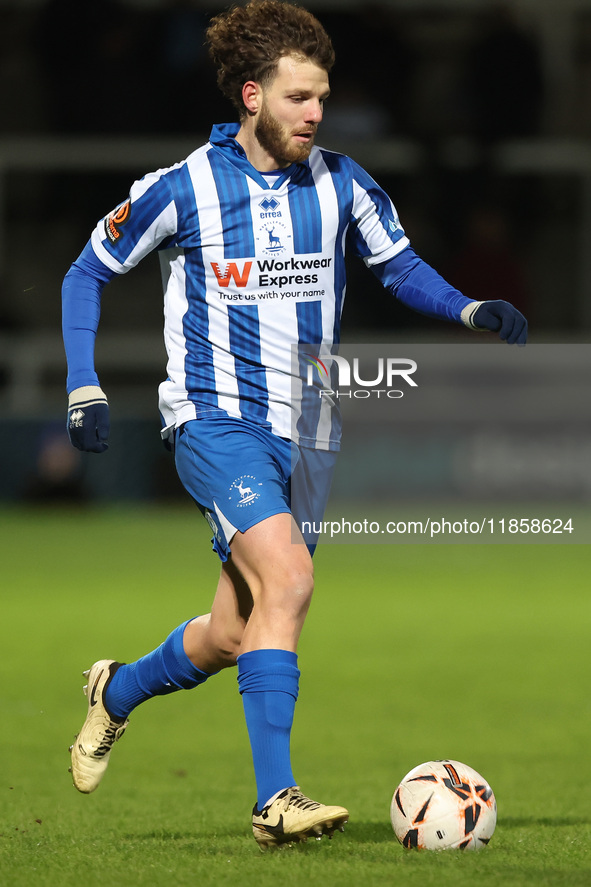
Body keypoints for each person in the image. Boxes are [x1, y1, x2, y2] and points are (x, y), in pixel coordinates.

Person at [62, 0, 527, 850]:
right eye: (299, 98)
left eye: (322, 97)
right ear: (251, 94)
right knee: (293, 580)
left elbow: (398, 265)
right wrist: (85, 383)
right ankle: (275, 798)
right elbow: (85, 273)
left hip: (310, 429)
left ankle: (116, 692)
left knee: (237, 631)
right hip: (214, 420)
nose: (317, 113)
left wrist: (466, 309)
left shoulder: (342, 181)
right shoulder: (183, 187)